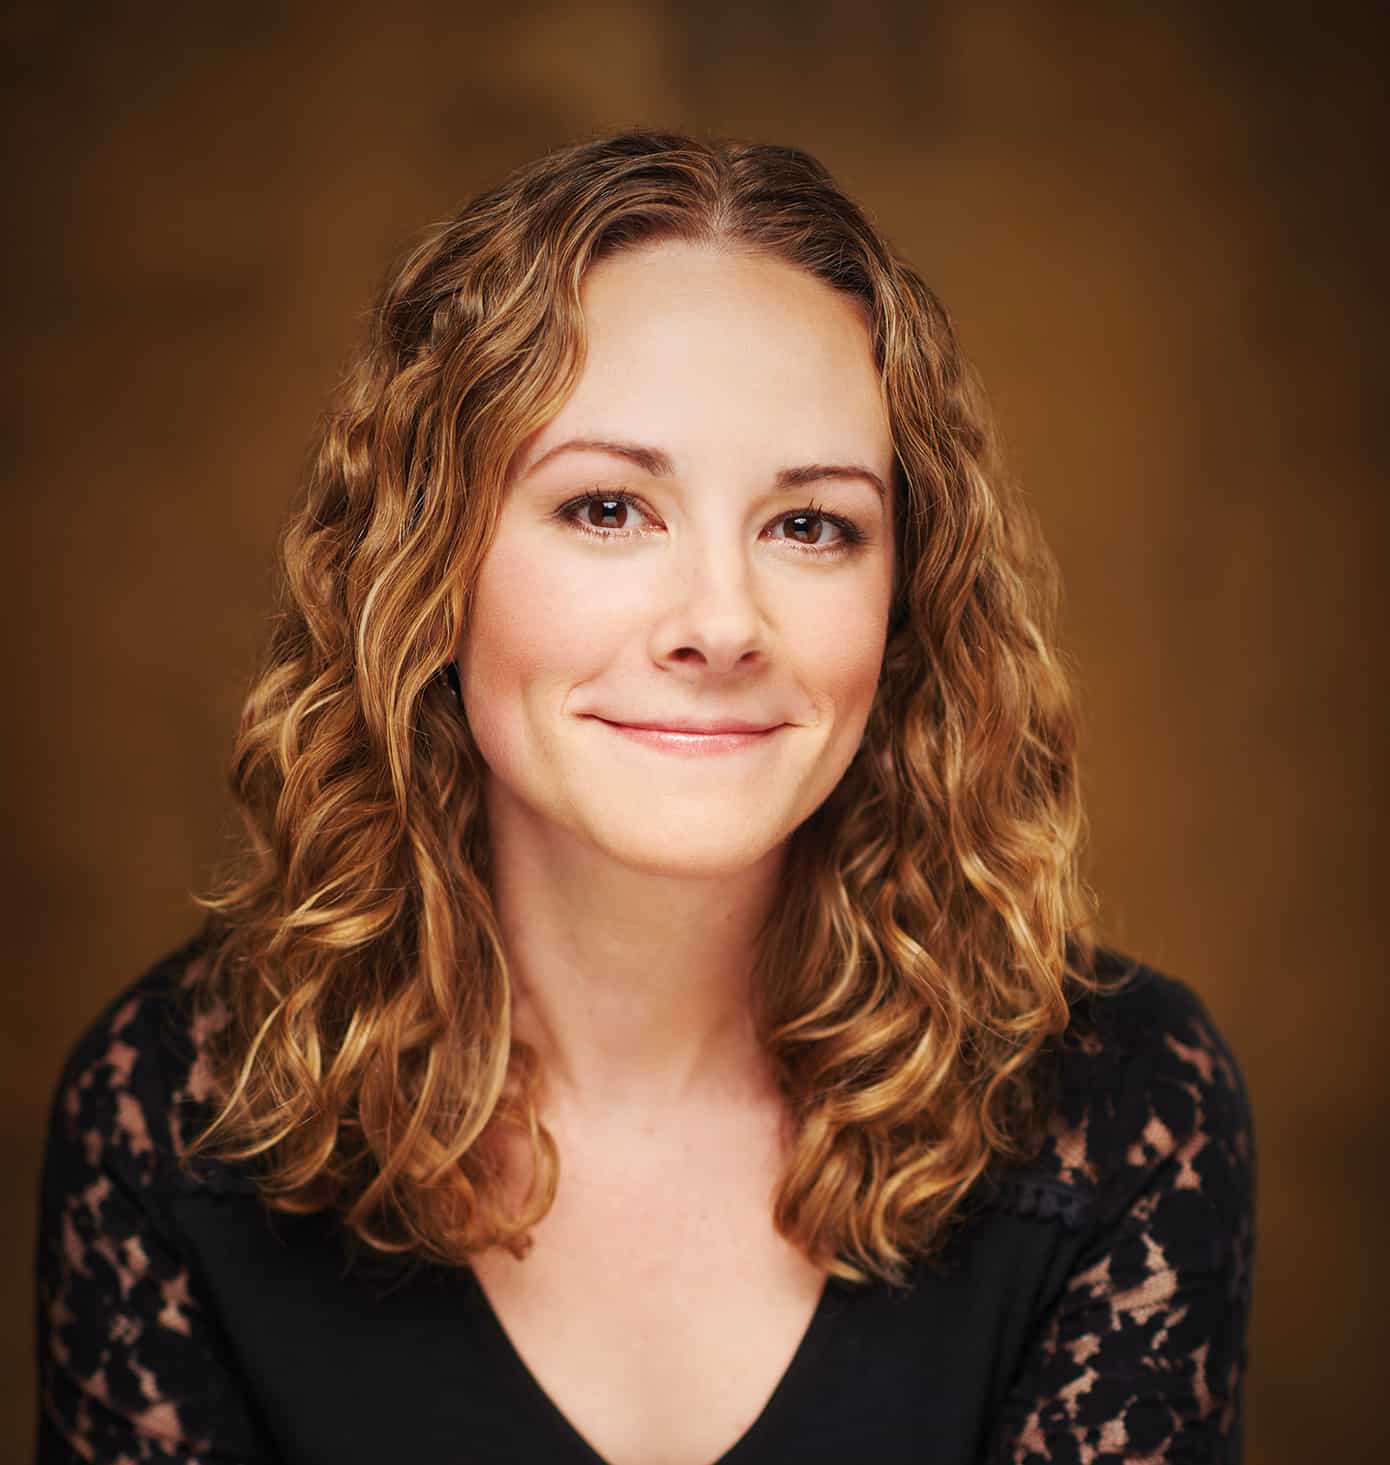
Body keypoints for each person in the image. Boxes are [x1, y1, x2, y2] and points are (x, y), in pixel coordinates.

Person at [34, 130, 1256, 1465]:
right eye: (609, 507)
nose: (722, 622)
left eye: (810, 525)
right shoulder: (171, 1113)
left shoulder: (1122, 1109)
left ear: (903, 602)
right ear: (429, 567)